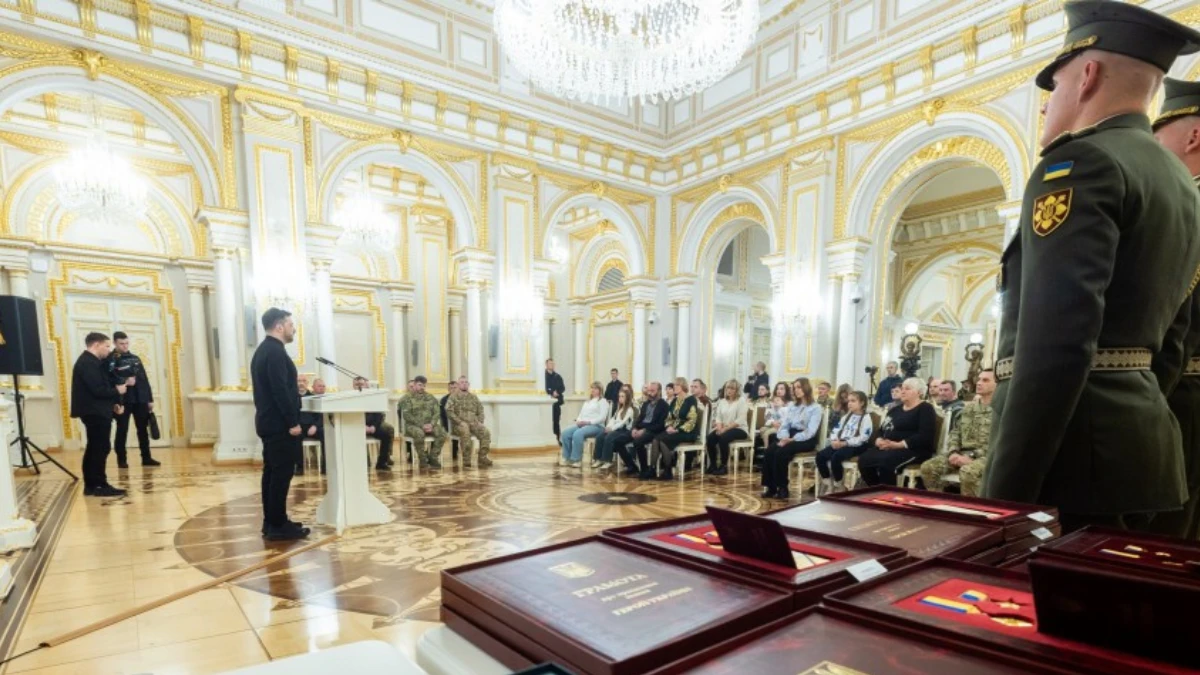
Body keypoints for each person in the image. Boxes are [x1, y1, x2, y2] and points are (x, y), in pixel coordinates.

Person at [984, 2, 1200, 532]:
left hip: (1072, 462)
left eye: (1051, 87)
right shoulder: (1178, 184)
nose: (1047, 104)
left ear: (1087, 75)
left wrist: (1004, 497)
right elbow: (1172, 339)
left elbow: (1055, 343)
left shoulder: (1079, 163)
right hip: (1136, 450)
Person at [1151, 77, 1200, 537]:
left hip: (1182, 394)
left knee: (1166, 536)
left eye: (1157, 136)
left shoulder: (1189, 208)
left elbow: (1173, 318)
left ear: (1193, 136)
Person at [250, 308, 309, 541]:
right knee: (281, 474)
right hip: (279, 425)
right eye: (291, 324)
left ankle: (273, 521)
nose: (293, 329)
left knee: (272, 474)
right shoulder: (274, 352)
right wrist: (293, 422)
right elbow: (279, 390)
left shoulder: (264, 350)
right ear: (279, 326)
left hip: (269, 422)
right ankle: (277, 525)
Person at [72, 332, 129, 497]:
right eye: (106, 346)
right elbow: (97, 390)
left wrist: (114, 404)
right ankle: (98, 485)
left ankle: (93, 485)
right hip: (94, 412)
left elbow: (100, 388)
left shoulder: (93, 362)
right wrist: (117, 390)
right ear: (96, 345)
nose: (108, 349)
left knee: (96, 447)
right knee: (99, 448)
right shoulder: (88, 363)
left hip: (97, 410)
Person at [921, 370, 995, 496]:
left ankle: (972, 510)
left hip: (986, 456)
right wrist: (953, 452)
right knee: (928, 468)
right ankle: (939, 505)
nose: (978, 383)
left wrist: (971, 456)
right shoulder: (969, 408)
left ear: (997, 384)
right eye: (979, 379)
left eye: (985, 380)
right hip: (961, 453)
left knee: (969, 472)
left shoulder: (1000, 410)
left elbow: (997, 441)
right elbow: (955, 433)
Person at [859, 377, 937, 487]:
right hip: (889, 447)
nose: (903, 391)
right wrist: (878, 440)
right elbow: (881, 430)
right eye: (902, 388)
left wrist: (899, 444)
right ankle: (876, 490)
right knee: (864, 459)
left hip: (913, 449)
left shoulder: (925, 409)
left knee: (886, 462)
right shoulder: (895, 410)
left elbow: (925, 435)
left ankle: (889, 496)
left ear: (919, 392)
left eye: (908, 389)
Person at [761, 378, 821, 499]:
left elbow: (811, 431)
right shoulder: (793, 406)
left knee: (781, 452)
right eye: (794, 388)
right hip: (789, 435)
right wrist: (784, 436)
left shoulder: (815, 408)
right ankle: (771, 487)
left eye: (799, 387)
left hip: (805, 438)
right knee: (769, 451)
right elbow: (785, 425)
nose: (796, 390)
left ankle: (782, 487)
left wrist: (792, 439)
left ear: (806, 388)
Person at [107, 331, 160, 468]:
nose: (124, 346)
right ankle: (122, 460)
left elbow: (144, 379)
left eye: (126, 343)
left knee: (142, 429)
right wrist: (125, 380)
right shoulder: (111, 359)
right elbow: (108, 378)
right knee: (122, 429)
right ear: (115, 343)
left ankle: (146, 458)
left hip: (140, 398)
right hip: (123, 400)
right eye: (121, 343)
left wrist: (149, 399)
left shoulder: (135, 358)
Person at [814, 391, 875, 493]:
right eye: (849, 401)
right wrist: (834, 440)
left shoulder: (866, 418)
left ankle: (839, 484)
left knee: (836, 458)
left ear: (862, 403)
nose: (849, 403)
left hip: (856, 445)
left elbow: (864, 437)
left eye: (853, 401)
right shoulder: (846, 416)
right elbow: (836, 429)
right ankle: (828, 482)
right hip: (840, 442)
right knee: (820, 456)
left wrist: (846, 443)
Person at [645, 378, 700, 480]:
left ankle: (668, 470)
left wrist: (677, 429)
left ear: (683, 386)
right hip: (673, 429)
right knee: (656, 439)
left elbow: (692, 420)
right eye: (674, 385)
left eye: (676, 385)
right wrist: (669, 426)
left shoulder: (691, 400)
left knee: (663, 440)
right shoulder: (675, 400)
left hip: (687, 431)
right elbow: (669, 417)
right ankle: (652, 469)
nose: (674, 387)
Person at [617, 381, 668, 475]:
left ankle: (644, 469)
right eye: (649, 391)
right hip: (640, 429)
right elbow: (639, 419)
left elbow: (661, 425)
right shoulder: (645, 404)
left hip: (653, 431)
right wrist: (635, 428)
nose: (649, 393)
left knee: (638, 442)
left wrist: (644, 430)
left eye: (652, 391)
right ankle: (632, 466)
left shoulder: (663, 405)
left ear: (659, 391)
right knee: (618, 441)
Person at [399, 376, 447, 469]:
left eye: (424, 386)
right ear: (415, 384)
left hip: (430, 424)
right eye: (420, 385)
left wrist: (432, 424)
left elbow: (436, 412)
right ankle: (422, 459)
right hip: (412, 425)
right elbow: (407, 415)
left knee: (442, 433)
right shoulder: (407, 398)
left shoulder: (430, 397)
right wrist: (422, 425)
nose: (422, 387)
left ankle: (433, 457)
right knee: (419, 434)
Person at [446, 376, 492, 467]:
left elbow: (481, 410)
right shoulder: (453, 397)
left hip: (473, 423)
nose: (464, 384)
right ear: (458, 385)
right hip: (458, 425)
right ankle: (466, 459)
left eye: (466, 382)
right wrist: (459, 422)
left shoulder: (474, 397)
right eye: (462, 382)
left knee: (486, 432)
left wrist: (480, 421)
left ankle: (482, 457)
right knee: (465, 431)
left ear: (468, 384)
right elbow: (449, 411)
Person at [559, 382, 609, 468]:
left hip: (597, 426)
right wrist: (579, 421)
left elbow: (602, 418)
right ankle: (567, 458)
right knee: (565, 433)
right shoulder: (587, 402)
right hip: (583, 424)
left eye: (595, 388)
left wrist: (588, 422)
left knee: (578, 433)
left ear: (600, 390)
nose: (593, 390)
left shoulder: (603, 401)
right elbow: (581, 414)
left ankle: (576, 459)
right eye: (592, 388)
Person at [705, 379, 748, 476]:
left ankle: (723, 466)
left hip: (739, 429)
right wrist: (719, 427)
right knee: (710, 438)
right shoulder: (722, 401)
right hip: (724, 428)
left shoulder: (741, 401)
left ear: (736, 390)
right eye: (728, 388)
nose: (729, 390)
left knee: (723, 438)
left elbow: (740, 420)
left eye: (732, 388)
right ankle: (713, 465)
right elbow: (718, 417)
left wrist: (724, 429)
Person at [352, 376, 395, 470]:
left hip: (372, 426)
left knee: (386, 435)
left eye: (361, 384)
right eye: (357, 385)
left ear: (366, 386)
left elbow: (379, 415)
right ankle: (363, 461)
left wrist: (374, 426)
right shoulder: (349, 398)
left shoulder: (372, 397)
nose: (360, 387)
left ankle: (381, 462)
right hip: (357, 426)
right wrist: (362, 426)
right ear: (353, 386)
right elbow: (351, 416)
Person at [593, 386, 636, 470]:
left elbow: (622, 423)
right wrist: (608, 427)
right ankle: (598, 459)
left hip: (624, 431)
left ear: (627, 398)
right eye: (619, 396)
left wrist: (611, 429)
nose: (620, 398)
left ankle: (607, 460)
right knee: (600, 436)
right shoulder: (619, 409)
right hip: (615, 429)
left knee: (609, 437)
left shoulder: (630, 410)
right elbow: (613, 419)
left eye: (622, 396)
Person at [297, 377, 325, 474]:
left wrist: (315, 426)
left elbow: (320, 415)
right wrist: (296, 425)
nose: (301, 383)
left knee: (325, 434)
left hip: (312, 427)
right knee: (295, 437)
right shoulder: (292, 397)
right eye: (299, 381)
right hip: (299, 427)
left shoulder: (313, 397)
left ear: (307, 383)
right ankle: (300, 468)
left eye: (303, 381)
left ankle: (325, 467)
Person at [545, 359, 566, 439]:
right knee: (548, 421)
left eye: (553, 364)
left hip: (556, 402)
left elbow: (563, 388)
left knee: (556, 421)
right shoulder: (543, 376)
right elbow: (545, 388)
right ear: (546, 365)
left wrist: (557, 392)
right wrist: (551, 393)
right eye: (550, 363)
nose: (552, 365)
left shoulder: (557, 376)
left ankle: (557, 438)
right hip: (547, 402)